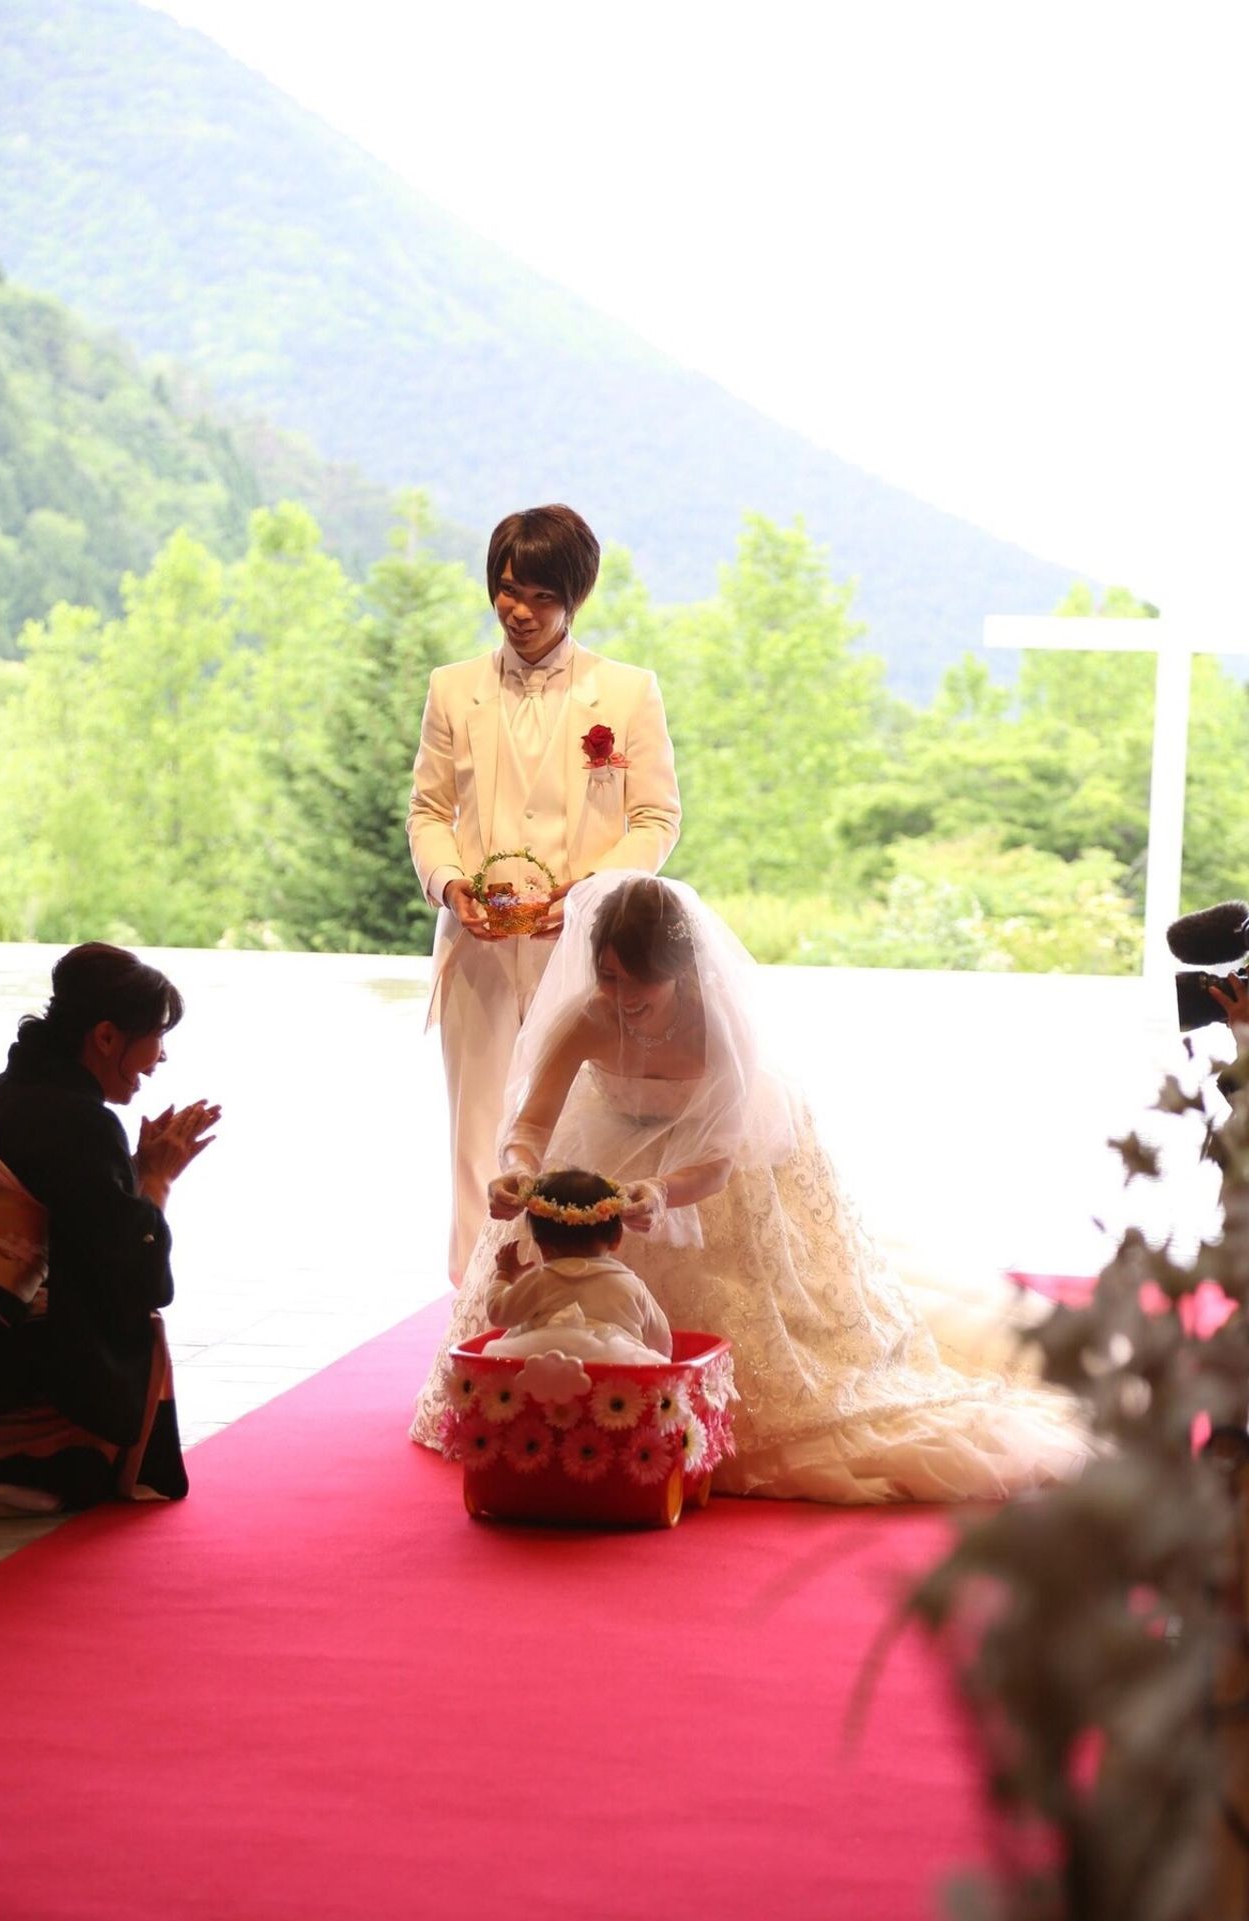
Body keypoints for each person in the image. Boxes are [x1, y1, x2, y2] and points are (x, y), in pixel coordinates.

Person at [411, 873, 1088, 1504]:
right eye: (608, 977)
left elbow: (716, 1163)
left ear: (679, 971)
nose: (620, 999)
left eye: (639, 985)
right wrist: (518, 1168)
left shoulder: (719, 1029)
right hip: (611, 1139)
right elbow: (531, 1124)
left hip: (704, 1164)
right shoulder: (589, 1016)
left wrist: (659, 1192)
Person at [406, 503, 681, 1287]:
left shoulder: (626, 692)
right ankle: (474, 1302)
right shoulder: (453, 689)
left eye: (539, 596)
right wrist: (449, 884)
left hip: (586, 953)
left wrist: (592, 893)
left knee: (575, 1123)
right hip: (479, 947)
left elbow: (656, 817)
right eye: (506, 590)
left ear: (575, 598)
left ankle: (583, 1288)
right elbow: (428, 811)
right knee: (477, 1131)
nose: (519, 611)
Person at [0, 943, 219, 1516]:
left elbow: (82, 1215)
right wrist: (154, 1180)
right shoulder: (81, 1123)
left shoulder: (1, 1091)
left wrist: (132, 1173)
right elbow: (139, 1280)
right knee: (137, 1327)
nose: (161, 1057)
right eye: (157, 1036)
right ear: (106, 1037)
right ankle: (2, 1452)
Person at [482, 1168, 673, 1364]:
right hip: (616, 1372)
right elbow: (661, 1343)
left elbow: (498, 1314)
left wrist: (504, 1274)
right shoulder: (631, 1285)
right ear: (616, 1239)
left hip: (541, 1366)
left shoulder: (540, 1280)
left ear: (542, 1245)